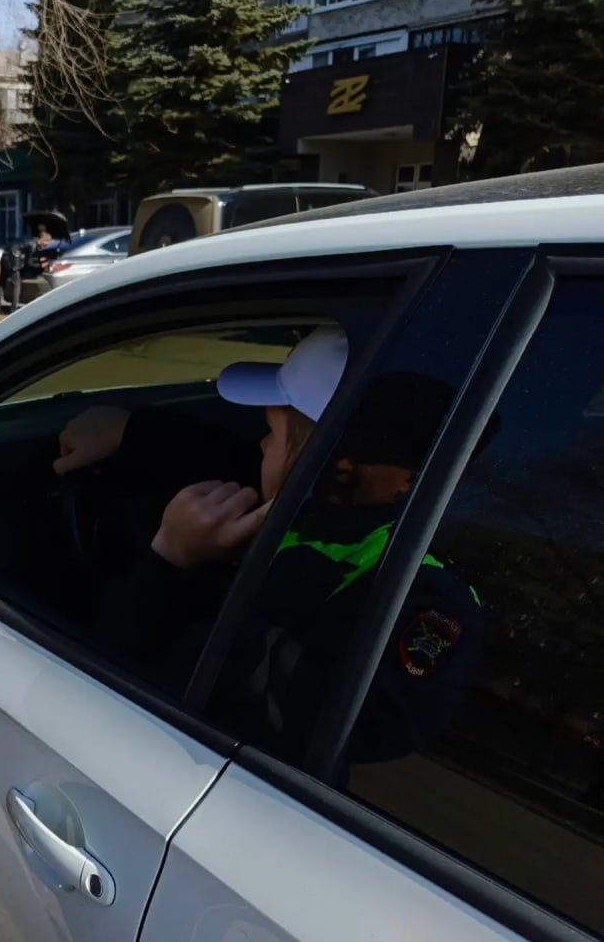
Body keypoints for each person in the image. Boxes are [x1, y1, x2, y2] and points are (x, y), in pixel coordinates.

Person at [55, 329, 484, 770]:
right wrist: (130, 429)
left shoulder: (421, 596)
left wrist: (172, 561)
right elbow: (224, 453)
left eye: (272, 432)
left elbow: (146, 665)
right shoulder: (324, 506)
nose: (258, 445)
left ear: (333, 462)